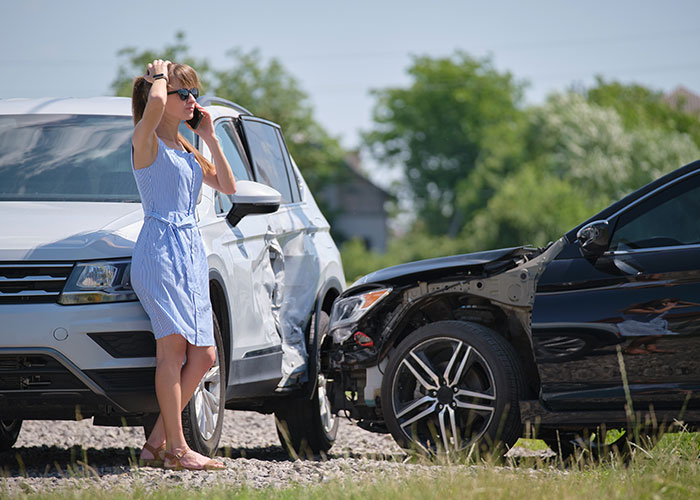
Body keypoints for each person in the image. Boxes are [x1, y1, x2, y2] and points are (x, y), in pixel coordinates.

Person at [130, 59, 236, 470]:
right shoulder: (145, 139)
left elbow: (227, 186)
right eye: (184, 94)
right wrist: (157, 78)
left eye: (195, 93)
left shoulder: (186, 147)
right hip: (159, 250)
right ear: (160, 96)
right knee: (172, 352)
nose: (193, 100)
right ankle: (176, 449)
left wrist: (210, 136)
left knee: (206, 354)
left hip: (190, 251)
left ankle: (157, 442)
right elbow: (154, 105)